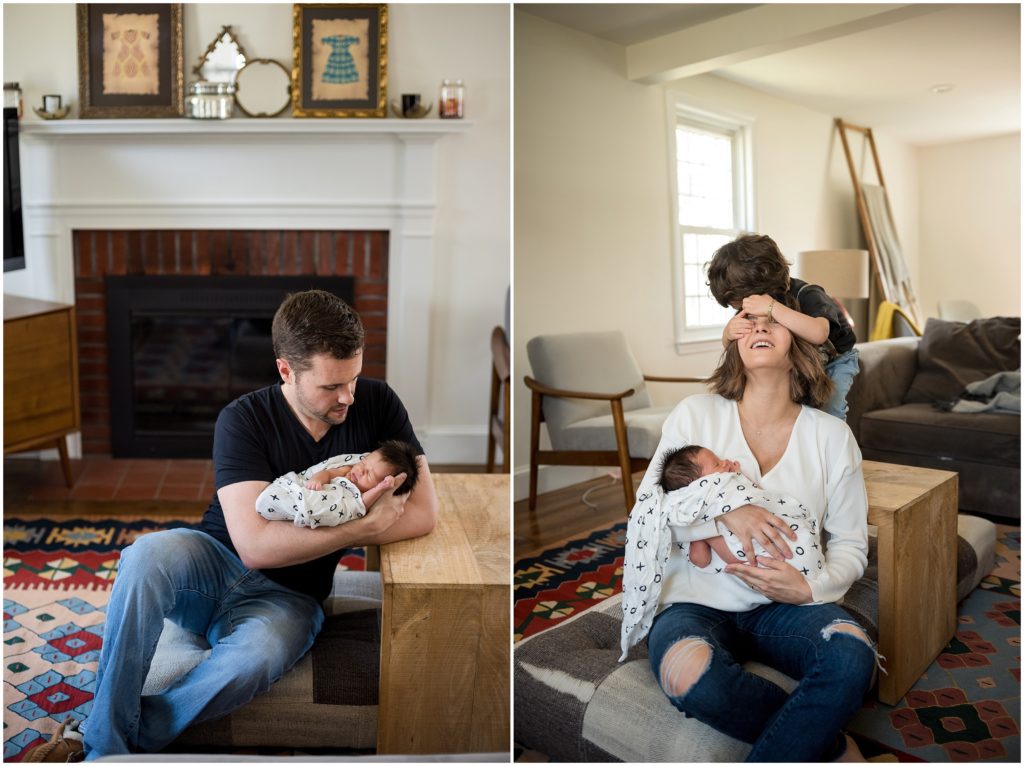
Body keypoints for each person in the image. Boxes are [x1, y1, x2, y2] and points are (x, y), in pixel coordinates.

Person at [25, 290, 438, 762]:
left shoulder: (378, 403)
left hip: (289, 597)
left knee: (251, 661)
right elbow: (255, 548)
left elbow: (425, 513)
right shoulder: (242, 419)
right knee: (143, 556)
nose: (347, 397)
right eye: (330, 387)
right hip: (211, 560)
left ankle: (105, 738)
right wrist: (362, 529)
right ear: (287, 370)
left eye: (354, 379)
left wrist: (325, 534)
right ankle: (108, 738)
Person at [620, 298, 875, 762]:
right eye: (747, 320)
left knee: (852, 656)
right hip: (692, 604)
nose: (759, 325)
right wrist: (724, 516)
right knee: (689, 678)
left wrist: (808, 587)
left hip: (785, 608)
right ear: (734, 344)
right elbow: (647, 515)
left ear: (800, 344)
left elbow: (852, 546)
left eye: (773, 320)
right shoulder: (694, 415)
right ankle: (833, 749)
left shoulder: (832, 438)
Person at [707, 233, 860, 420]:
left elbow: (819, 333)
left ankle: (835, 443)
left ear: (761, 288)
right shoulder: (754, 303)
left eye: (741, 303)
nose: (742, 309)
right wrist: (728, 333)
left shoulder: (808, 294)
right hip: (802, 360)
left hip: (836, 359)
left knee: (830, 409)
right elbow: (732, 344)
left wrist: (772, 308)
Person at [655, 444, 823, 576]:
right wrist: (702, 531)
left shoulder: (731, 482)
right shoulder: (694, 511)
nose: (725, 462)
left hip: (770, 532)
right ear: (697, 485)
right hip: (754, 555)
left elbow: (758, 495)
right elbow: (700, 559)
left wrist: (739, 477)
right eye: (717, 464)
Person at [256, 439, 420, 528]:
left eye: (370, 474)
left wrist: (381, 488)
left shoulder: (364, 495)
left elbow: (360, 505)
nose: (361, 470)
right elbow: (328, 472)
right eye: (363, 463)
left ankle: (299, 507)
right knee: (274, 499)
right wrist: (317, 480)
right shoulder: (348, 469)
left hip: (334, 506)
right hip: (308, 490)